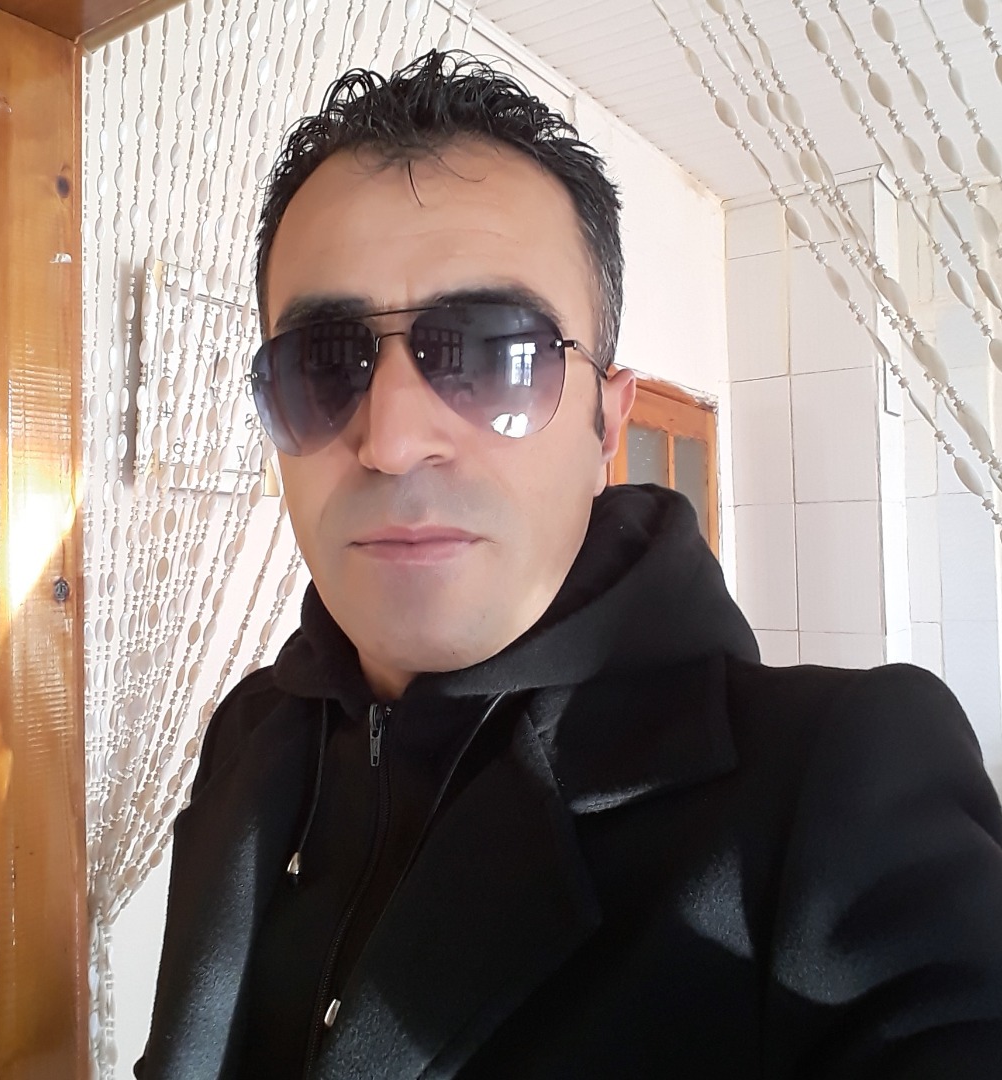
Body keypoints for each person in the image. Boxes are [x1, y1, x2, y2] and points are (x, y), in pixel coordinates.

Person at [136, 51, 1002, 1079]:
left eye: (493, 353)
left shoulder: (831, 791)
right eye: (323, 364)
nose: (394, 439)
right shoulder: (250, 737)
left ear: (607, 423)